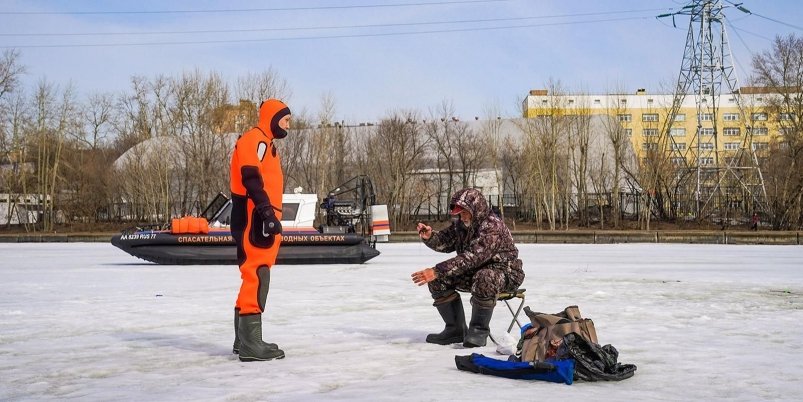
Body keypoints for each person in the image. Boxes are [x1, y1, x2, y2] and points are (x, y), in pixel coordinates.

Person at [411, 188, 525, 347]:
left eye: (465, 211)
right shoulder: (461, 225)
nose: (461, 216)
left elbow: (472, 258)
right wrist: (430, 237)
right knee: (439, 280)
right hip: (475, 271)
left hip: (505, 272)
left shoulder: (492, 226)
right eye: (459, 212)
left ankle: (478, 332)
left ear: (476, 209)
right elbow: (445, 241)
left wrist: (437, 270)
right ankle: (455, 330)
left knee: (485, 277)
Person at [229, 99, 291, 362]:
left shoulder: (266, 143)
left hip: (260, 216)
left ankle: (242, 341)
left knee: (253, 275)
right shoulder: (256, 140)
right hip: (255, 218)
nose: (289, 124)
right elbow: (250, 176)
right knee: (257, 274)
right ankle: (251, 345)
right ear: (272, 118)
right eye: (285, 119)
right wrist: (266, 212)